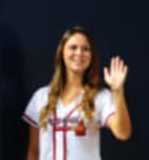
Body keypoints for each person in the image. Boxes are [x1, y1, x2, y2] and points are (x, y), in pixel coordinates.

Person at [22, 26, 132, 160]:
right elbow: (34, 152)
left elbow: (123, 133)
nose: (79, 53)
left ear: (91, 56)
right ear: (62, 52)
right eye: (73, 47)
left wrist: (117, 92)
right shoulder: (41, 96)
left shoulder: (100, 96)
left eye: (86, 49)